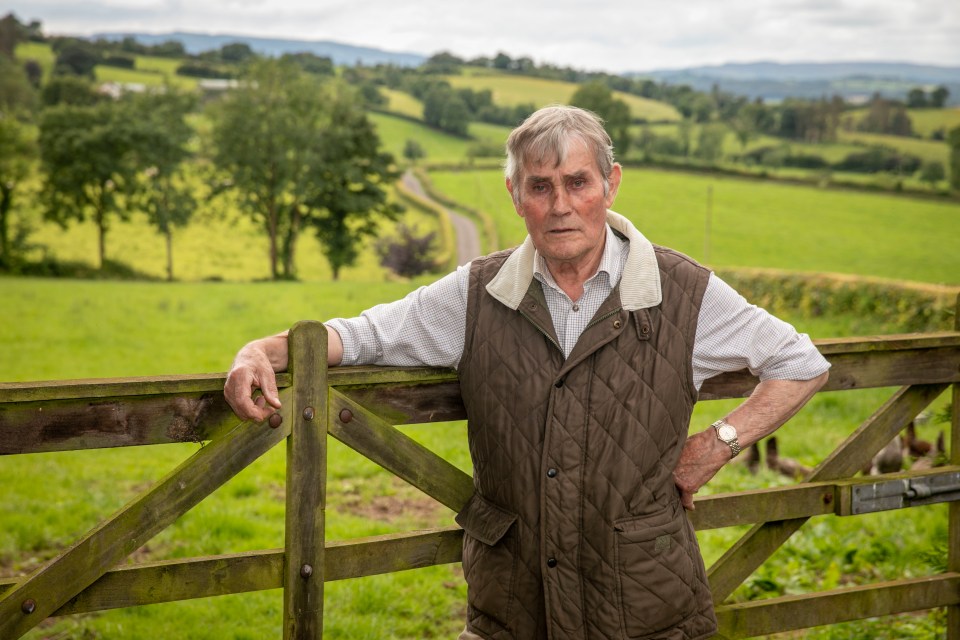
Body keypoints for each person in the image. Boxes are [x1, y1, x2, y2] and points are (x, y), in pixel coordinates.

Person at [225, 105, 830, 640]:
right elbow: (365, 334)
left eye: (577, 182)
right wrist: (264, 349)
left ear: (610, 185)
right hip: (514, 607)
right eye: (540, 187)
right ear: (515, 196)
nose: (561, 205)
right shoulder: (476, 293)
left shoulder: (682, 291)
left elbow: (800, 363)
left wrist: (717, 443)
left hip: (647, 607)